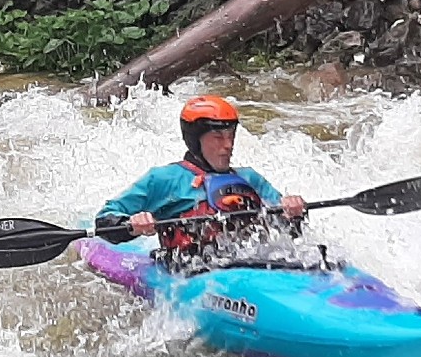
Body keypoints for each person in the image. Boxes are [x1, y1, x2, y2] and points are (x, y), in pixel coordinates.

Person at [94, 96, 306, 261]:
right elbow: (105, 219)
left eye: (231, 136)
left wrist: (293, 213)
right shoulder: (165, 179)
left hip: (253, 264)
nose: (228, 145)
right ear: (196, 141)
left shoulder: (249, 178)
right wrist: (133, 224)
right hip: (189, 271)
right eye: (218, 137)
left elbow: (289, 234)